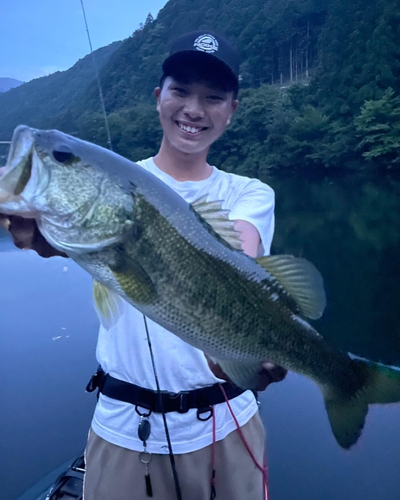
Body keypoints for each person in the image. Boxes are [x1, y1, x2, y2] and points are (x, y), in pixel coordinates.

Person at [0, 31, 287, 500]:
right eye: (180, 91)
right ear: (159, 97)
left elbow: (241, 257)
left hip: (227, 425)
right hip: (122, 430)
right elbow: (66, 239)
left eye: (213, 97)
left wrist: (248, 334)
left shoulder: (249, 192)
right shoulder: (115, 184)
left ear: (233, 110)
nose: (194, 109)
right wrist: (39, 233)